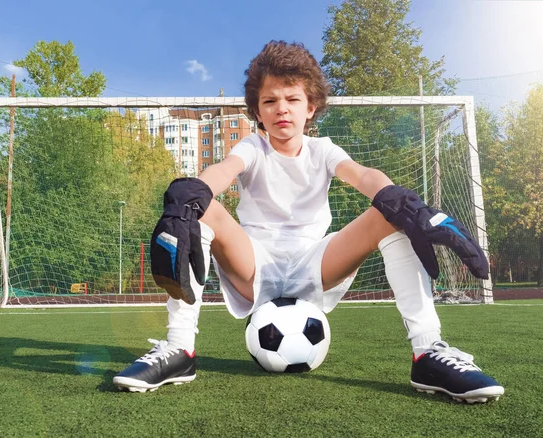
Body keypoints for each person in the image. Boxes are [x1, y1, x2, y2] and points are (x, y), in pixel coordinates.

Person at [114, 40, 504, 403]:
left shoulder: (323, 149)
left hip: (315, 266)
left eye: (292, 98)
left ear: (310, 107)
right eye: (269, 100)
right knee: (197, 205)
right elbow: (224, 169)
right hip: (255, 267)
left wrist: (396, 196)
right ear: (258, 112)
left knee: (394, 212)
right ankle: (180, 348)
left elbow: (362, 174)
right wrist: (191, 191)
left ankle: (428, 353)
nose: (281, 108)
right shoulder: (251, 146)